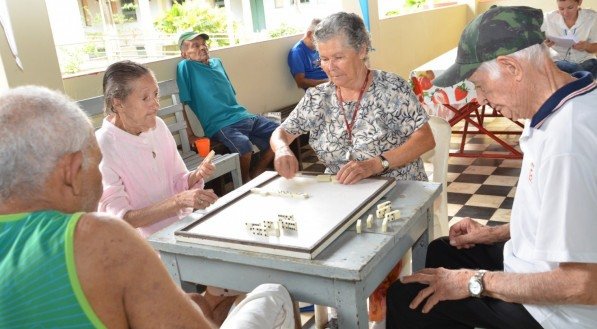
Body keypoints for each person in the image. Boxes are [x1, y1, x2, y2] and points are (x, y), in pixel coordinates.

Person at [0, 86, 296, 328]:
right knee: (274, 293)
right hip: (158, 242)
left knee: (205, 301)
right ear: (71, 171)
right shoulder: (94, 238)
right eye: (96, 162)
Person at [387, 6, 597, 329]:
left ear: (511, 67)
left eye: (480, 85)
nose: (482, 100)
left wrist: (476, 281)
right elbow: (563, 219)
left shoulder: (566, 143)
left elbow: (584, 285)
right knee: (442, 252)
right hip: (531, 266)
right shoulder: (562, 104)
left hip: (556, 314)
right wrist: (493, 234)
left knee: (407, 298)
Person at [270, 12, 435, 326]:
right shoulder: (317, 98)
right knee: (308, 250)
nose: (330, 67)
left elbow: (425, 139)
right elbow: (282, 133)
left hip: (397, 191)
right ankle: (340, 311)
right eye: (323, 59)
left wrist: (378, 163)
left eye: (339, 57)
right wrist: (281, 149)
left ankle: (377, 314)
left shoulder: (391, 89)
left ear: (362, 50)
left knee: (372, 264)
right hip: (341, 196)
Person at [96, 60, 237, 325]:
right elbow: (120, 220)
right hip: (143, 248)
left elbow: (177, 179)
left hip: (180, 227)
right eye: (145, 98)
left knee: (240, 260)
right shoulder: (103, 145)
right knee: (230, 278)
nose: (156, 104)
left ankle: (210, 307)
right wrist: (178, 201)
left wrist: (194, 178)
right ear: (118, 103)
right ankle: (206, 308)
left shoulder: (157, 127)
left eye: (156, 95)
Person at [177, 31, 279, 183]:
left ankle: (258, 171)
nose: (203, 47)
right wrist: (190, 134)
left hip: (243, 115)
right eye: (195, 45)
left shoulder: (217, 62)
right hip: (221, 124)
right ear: (184, 54)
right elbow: (181, 105)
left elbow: (230, 95)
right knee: (243, 146)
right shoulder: (185, 67)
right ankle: (245, 181)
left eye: (204, 44)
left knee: (282, 132)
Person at [542, 0, 597, 77]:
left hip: (586, 61)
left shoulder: (592, 17)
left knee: (589, 67)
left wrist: (587, 46)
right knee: (574, 69)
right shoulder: (547, 18)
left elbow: (595, 48)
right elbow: (536, 46)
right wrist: (544, 45)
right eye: (561, 8)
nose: (565, 13)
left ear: (579, 2)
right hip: (559, 62)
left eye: (570, 7)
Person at [287, 18, 329, 90]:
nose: (323, 40)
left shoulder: (318, 47)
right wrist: (327, 82)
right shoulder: (297, 52)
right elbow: (300, 82)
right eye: (320, 37)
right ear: (310, 34)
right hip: (318, 90)